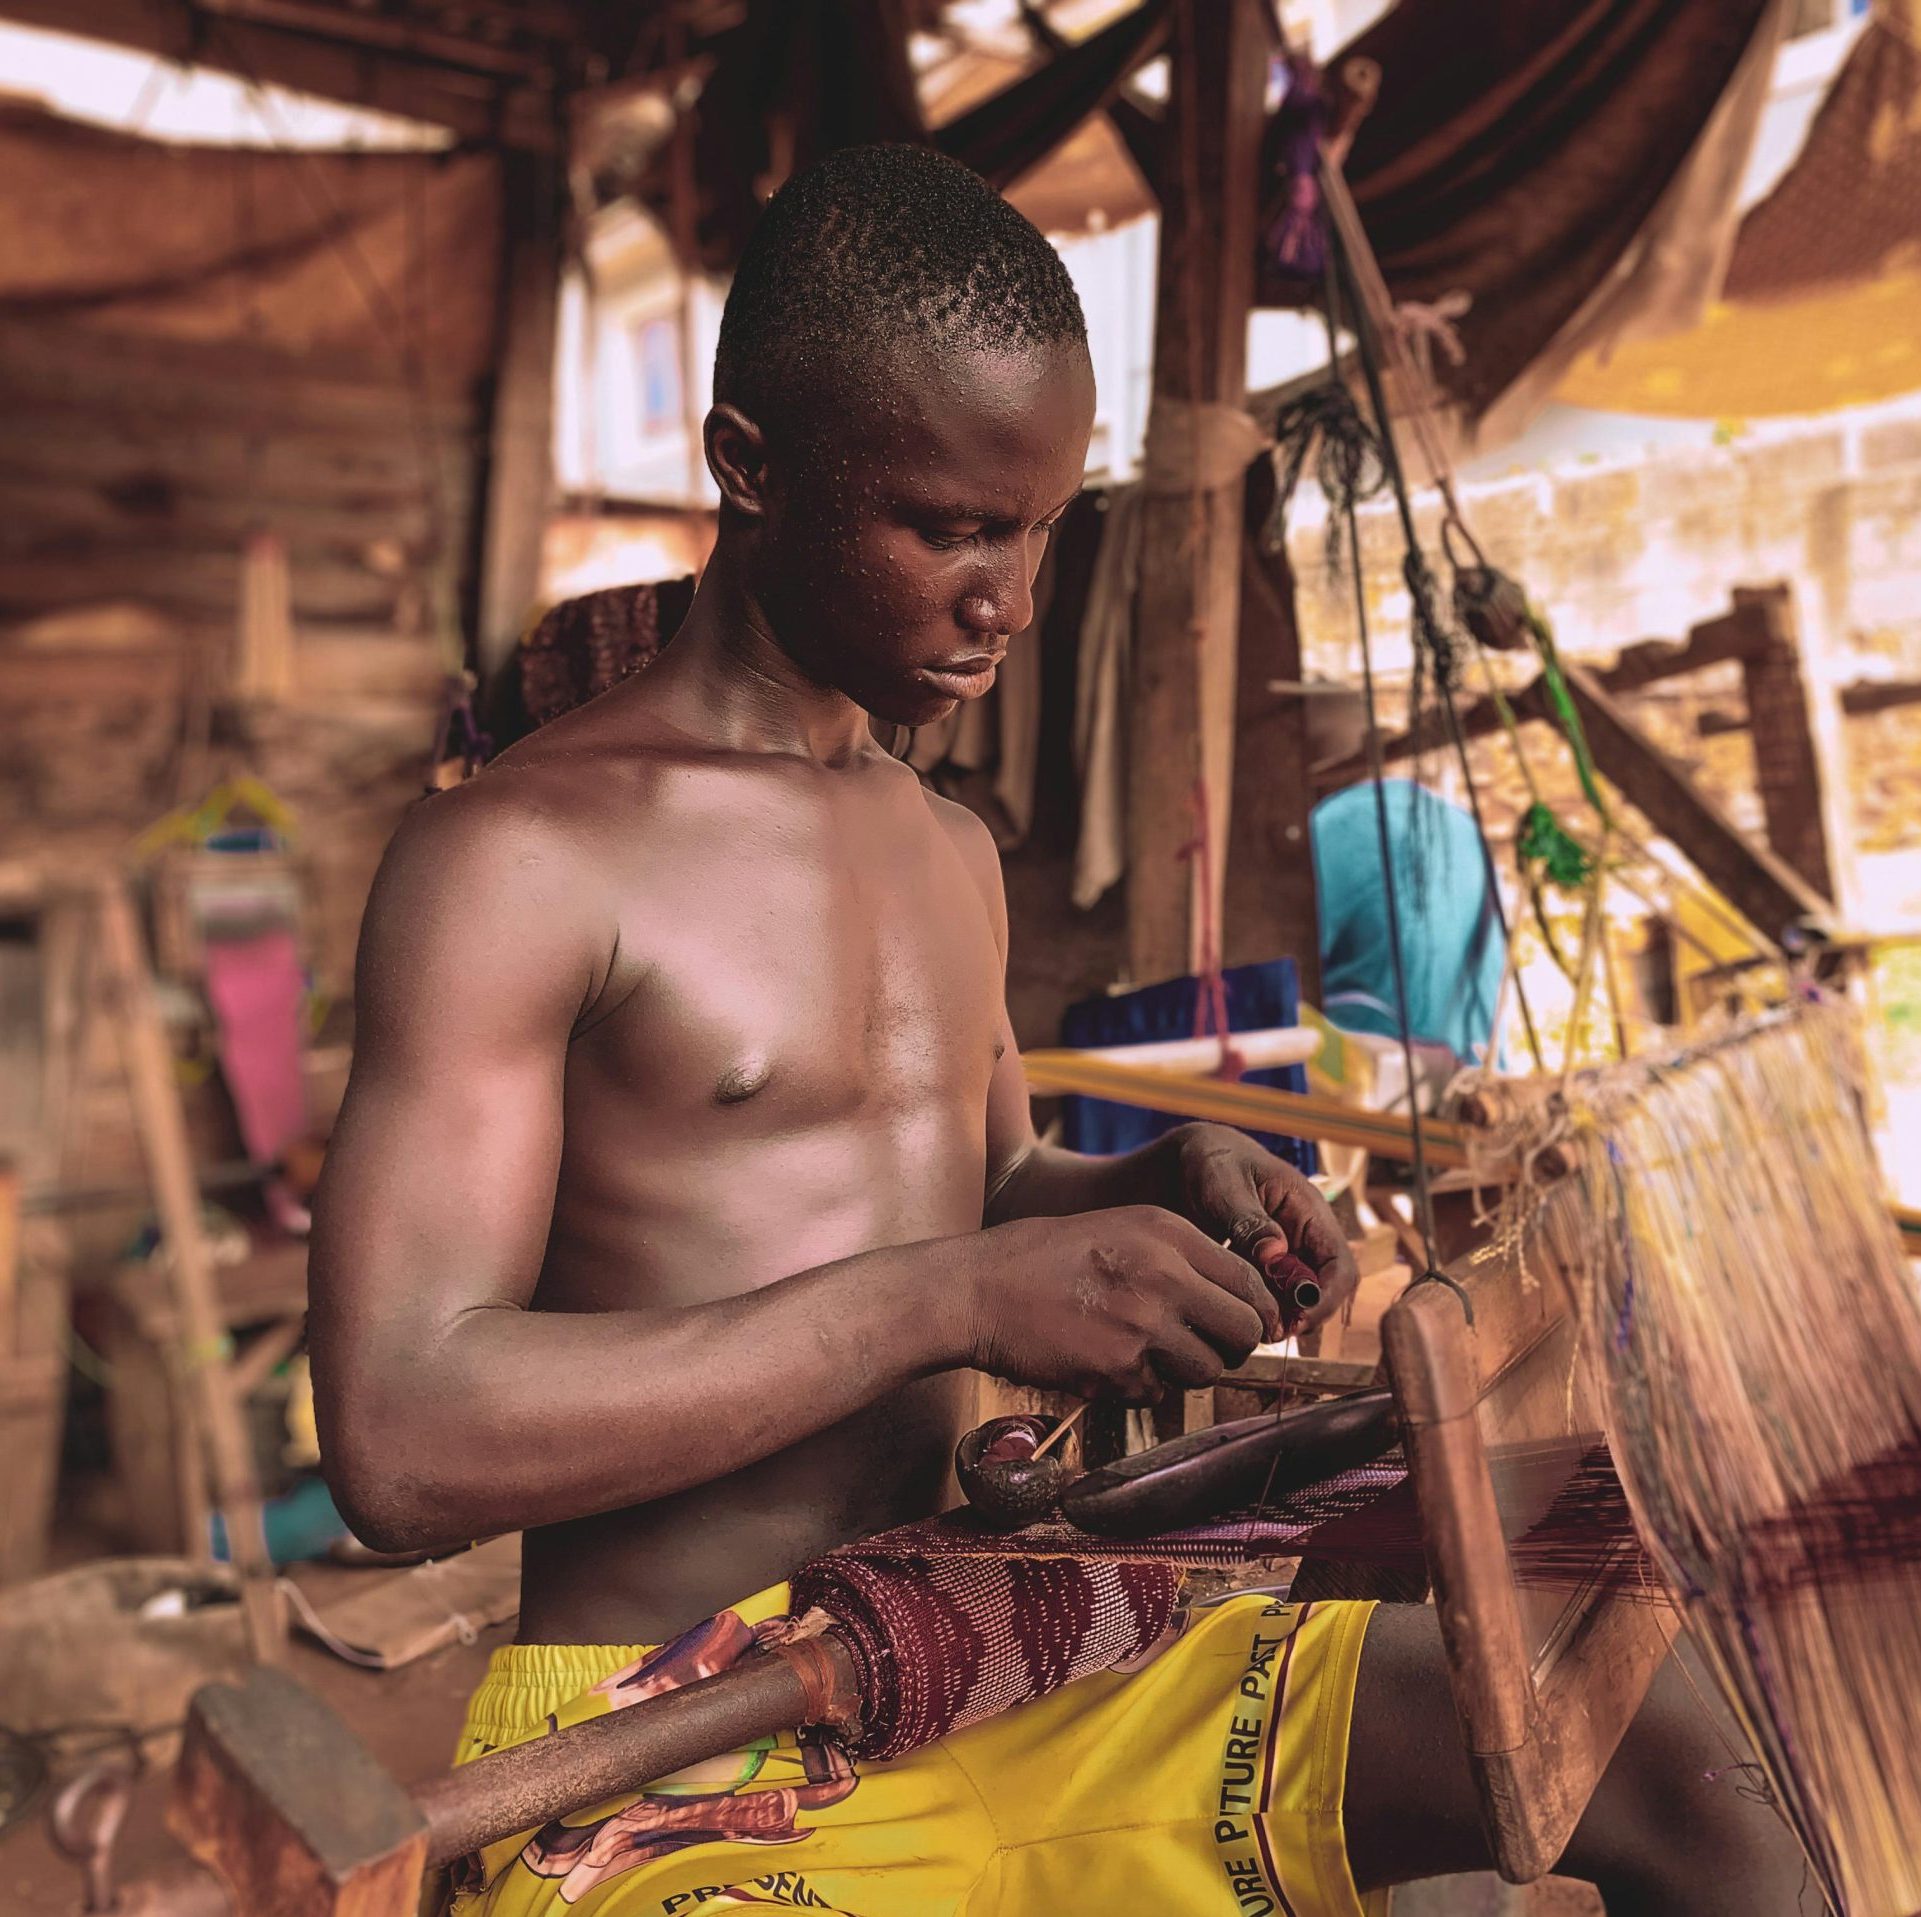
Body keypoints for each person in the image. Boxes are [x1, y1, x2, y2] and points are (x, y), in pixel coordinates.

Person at [311, 145, 1799, 1917]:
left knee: (1686, 1760)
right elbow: (400, 1438)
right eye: (946, 527)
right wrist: (946, 1299)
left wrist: (1149, 1176)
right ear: (746, 472)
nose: (1007, 601)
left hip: (996, 1640)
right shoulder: (520, 859)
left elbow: (982, 1176)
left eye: (1039, 530)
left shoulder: (946, 846)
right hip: (675, 1737)